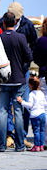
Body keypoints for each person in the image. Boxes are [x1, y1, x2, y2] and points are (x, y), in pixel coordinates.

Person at [0, 2, 37, 148]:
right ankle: (16, 142)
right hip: (19, 77)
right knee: (18, 110)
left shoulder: (1, 37)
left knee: (3, 111)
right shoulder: (20, 37)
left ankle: (2, 145)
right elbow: (29, 55)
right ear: (14, 21)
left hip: (5, 78)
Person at [17, 76, 46, 151]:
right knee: (42, 131)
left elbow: (30, 105)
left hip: (35, 115)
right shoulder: (42, 93)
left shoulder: (31, 94)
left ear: (30, 85)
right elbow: (45, 103)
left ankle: (36, 146)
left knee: (36, 131)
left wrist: (21, 101)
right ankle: (41, 146)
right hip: (43, 114)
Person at [33, 18, 47, 148]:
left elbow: (35, 57)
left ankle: (45, 139)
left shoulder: (42, 41)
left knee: (45, 107)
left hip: (44, 75)